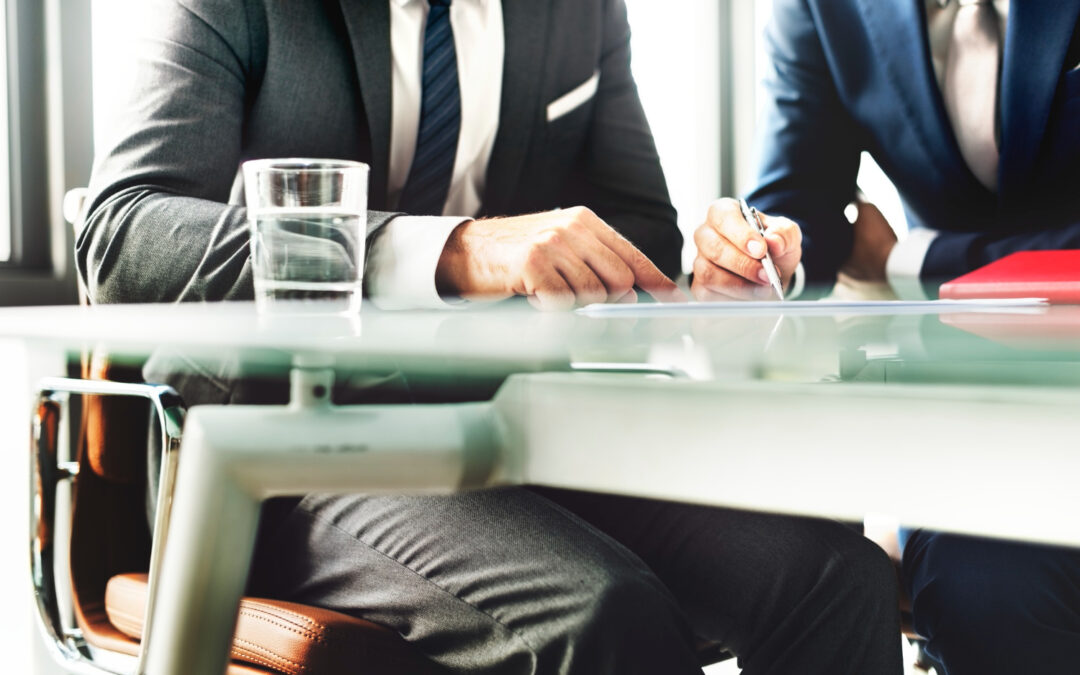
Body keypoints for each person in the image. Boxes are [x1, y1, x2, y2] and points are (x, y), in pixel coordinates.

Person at [78, 0, 904, 672]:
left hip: (514, 430)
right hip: (284, 449)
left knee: (833, 577)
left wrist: (713, 274)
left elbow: (639, 241)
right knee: (603, 609)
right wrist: (452, 248)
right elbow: (121, 233)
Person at [692, 1, 1080, 673]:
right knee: (979, 592)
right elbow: (796, 205)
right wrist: (759, 257)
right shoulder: (821, 10)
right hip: (978, 414)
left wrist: (913, 260)